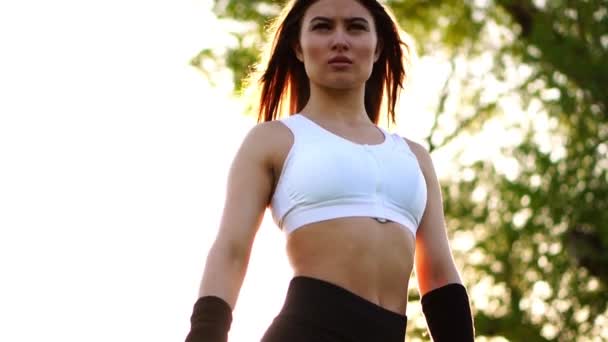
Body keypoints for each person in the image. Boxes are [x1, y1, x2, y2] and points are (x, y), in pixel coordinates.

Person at [185, 0, 475, 341]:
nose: (340, 40)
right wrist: (205, 334)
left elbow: (439, 275)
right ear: (298, 45)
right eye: (323, 27)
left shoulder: (414, 156)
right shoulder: (274, 140)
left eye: (356, 27)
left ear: (378, 45)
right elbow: (231, 251)